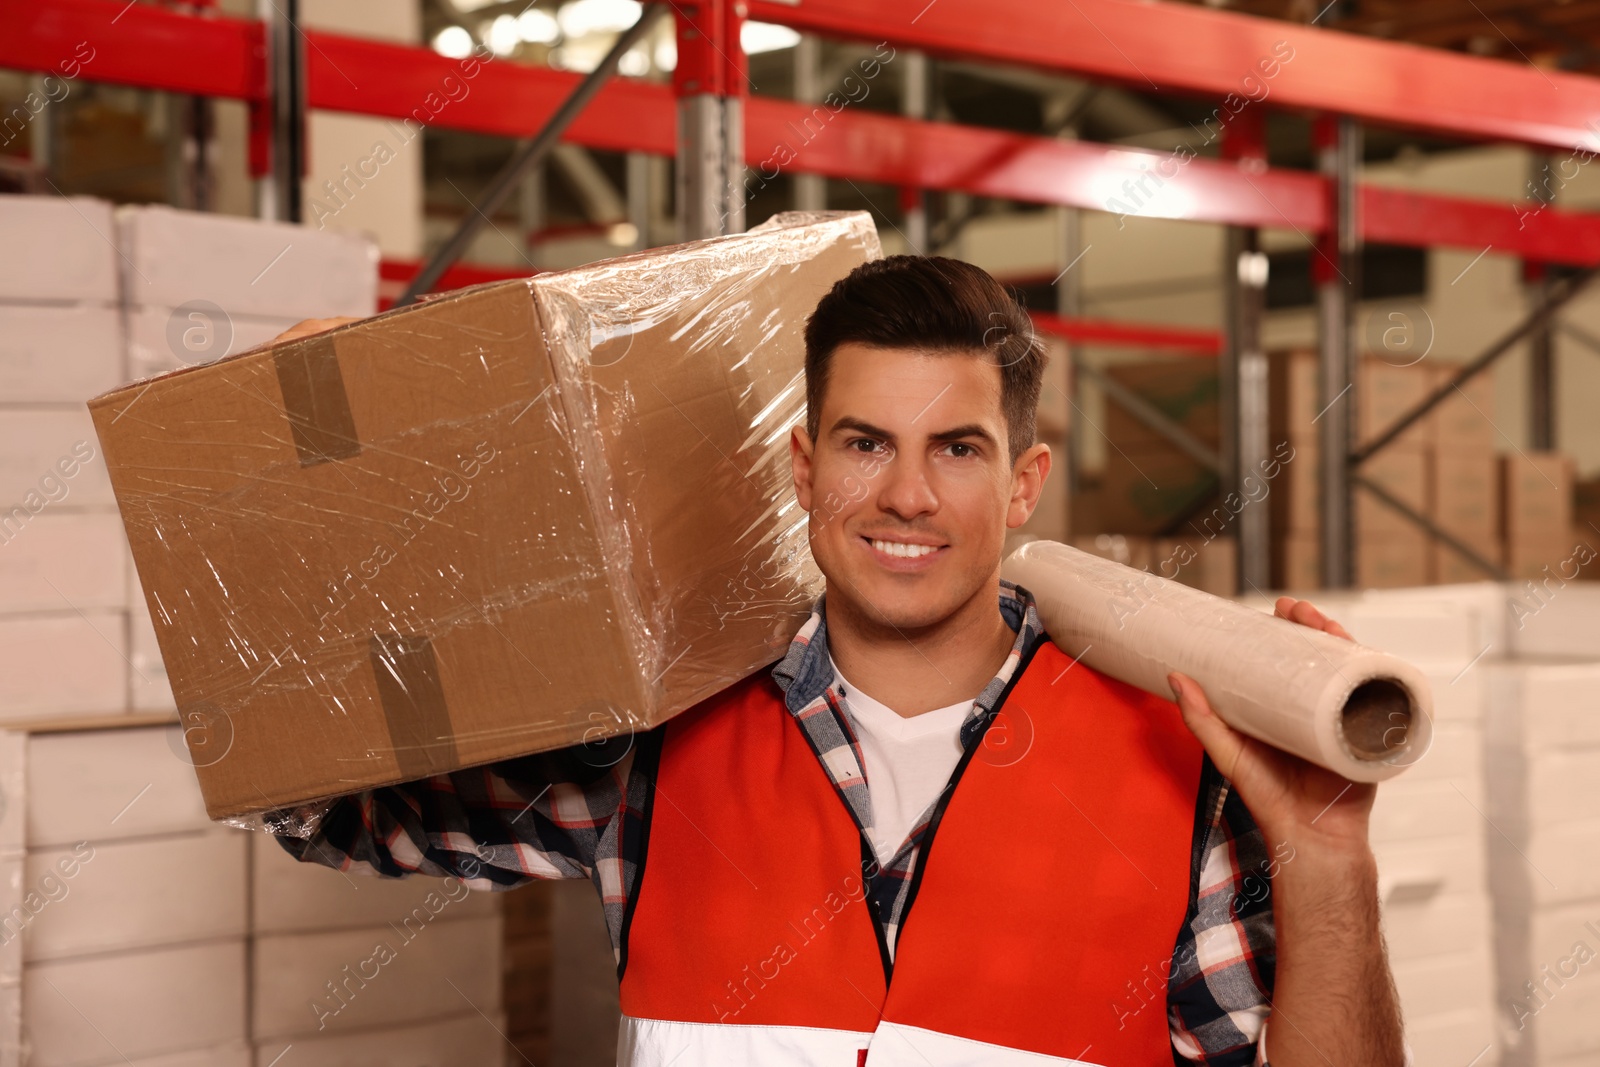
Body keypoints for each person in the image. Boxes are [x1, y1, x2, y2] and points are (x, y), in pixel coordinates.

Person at [275, 255, 1405, 1065]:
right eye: (867, 444)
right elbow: (325, 798)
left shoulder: (1178, 773)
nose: (907, 496)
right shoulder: (654, 753)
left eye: (956, 449)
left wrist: (1325, 860)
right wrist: (315, 478)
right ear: (805, 468)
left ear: (1024, 481)